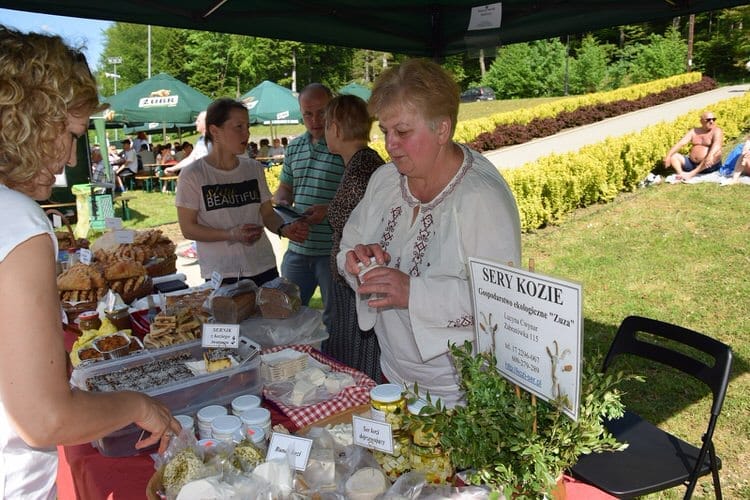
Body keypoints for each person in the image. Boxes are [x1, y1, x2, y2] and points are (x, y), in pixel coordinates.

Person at [0, 26, 180, 499]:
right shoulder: (17, 219)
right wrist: (139, 405)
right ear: (34, 123)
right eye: (72, 134)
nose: (70, 158)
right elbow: (46, 419)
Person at [336, 59, 522, 406]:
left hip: (461, 390)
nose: (390, 144)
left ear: (442, 130)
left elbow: (501, 301)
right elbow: (347, 245)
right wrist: (356, 262)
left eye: (403, 132)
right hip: (393, 372)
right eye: (385, 131)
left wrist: (413, 292)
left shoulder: (480, 198)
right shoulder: (385, 181)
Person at [175, 98, 308, 284]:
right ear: (215, 131)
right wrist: (230, 234)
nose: (246, 133)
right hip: (223, 272)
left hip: (263, 266)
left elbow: (268, 215)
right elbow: (188, 228)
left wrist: (284, 229)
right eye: (238, 127)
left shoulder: (253, 168)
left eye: (248, 126)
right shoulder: (194, 174)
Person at [273, 83, 346, 329]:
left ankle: (334, 364)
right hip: (298, 248)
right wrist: (282, 205)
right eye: (307, 113)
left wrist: (329, 208)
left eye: (321, 112)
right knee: (286, 316)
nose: (315, 120)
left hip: (332, 251)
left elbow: (363, 198)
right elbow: (285, 188)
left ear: (333, 109)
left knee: (335, 320)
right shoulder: (294, 147)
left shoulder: (344, 147)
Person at [324, 94, 385, 381]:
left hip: (360, 279)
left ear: (335, 128)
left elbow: (352, 222)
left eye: (326, 125)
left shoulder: (362, 168)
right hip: (354, 277)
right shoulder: (361, 163)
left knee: (361, 356)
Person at [663, 111, 723, 180]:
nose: (712, 121)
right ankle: (681, 174)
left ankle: (691, 174)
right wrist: (668, 156)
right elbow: (681, 143)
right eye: (708, 120)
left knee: (717, 153)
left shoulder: (716, 131)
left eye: (713, 119)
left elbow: (717, 144)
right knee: (673, 156)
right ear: (701, 121)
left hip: (708, 165)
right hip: (692, 164)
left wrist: (709, 156)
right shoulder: (694, 131)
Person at [165, 111, 208, 175]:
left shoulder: (215, 138)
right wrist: (173, 168)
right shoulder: (201, 139)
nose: (196, 123)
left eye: (198, 121)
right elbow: (191, 158)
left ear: (206, 122)